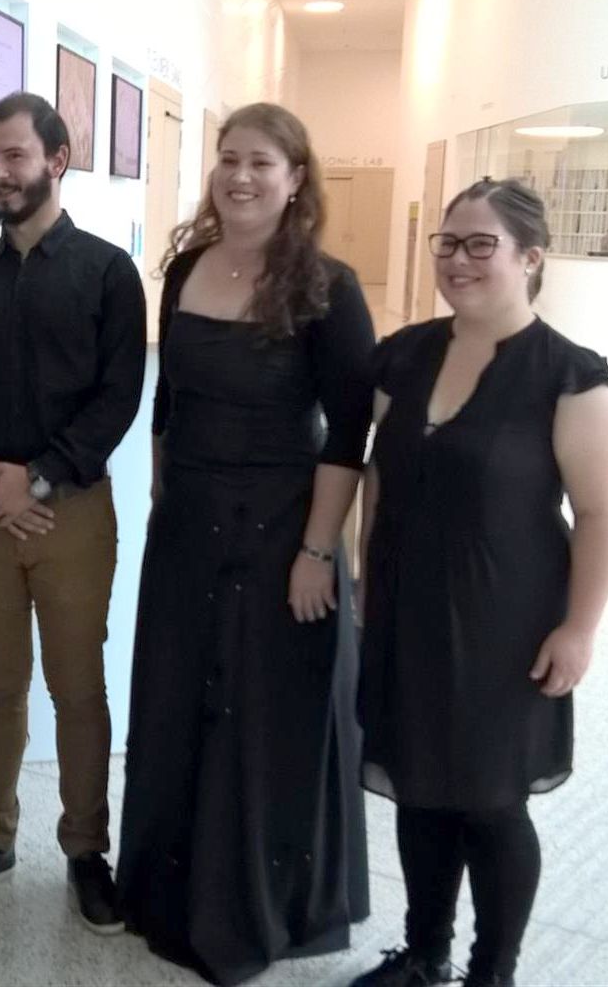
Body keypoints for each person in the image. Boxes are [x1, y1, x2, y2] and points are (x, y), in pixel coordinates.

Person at [116, 102, 374, 984]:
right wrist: (162, 493)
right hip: (189, 526)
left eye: (261, 162)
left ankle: (258, 909)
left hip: (281, 532)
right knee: (178, 704)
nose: (239, 176)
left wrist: (316, 552)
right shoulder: (186, 267)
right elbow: (168, 402)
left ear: (295, 179)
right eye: (228, 158)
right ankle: (168, 892)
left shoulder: (328, 287)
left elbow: (348, 434)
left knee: (260, 719)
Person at [351, 178, 608, 987]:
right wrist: (364, 578)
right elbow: (376, 475)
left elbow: (599, 516)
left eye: (481, 245)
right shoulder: (403, 354)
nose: (457, 261)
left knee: (491, 802)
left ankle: (490, 972)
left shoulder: (570, 376)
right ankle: (423, 954)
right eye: (447, 243)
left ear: (529, 258)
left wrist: (578, 630)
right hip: (405, 606)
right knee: (419, 787)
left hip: (506, 621)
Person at [0, 92, 146, 931]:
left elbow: (117, 396)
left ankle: (86, 853)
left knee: (77, 690)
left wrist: (37, 480)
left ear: (56, 160)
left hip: (70, 514)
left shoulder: (107, 273)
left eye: (14, 156)